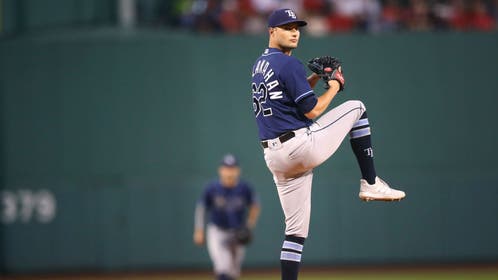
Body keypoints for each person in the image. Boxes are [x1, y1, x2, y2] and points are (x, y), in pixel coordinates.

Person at [250, 8, 406, 280]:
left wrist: (314, 78)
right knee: (357, 108)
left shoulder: (261, 64)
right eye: (287, 27)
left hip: (275, 158)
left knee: (295, 233)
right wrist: (333, 83)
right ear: (272, 31)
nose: (295, 31)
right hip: (299, 146)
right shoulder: (288, 64)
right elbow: (312, 111)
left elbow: (290, 98)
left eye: (297, 27)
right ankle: (370, 182)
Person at [193, 154, 261, 280]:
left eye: (232, 168)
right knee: (223, 268)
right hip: (217, 232)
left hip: (237, 233)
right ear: (221, 170)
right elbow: (201, 208)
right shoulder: (212, 188)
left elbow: (255, 206)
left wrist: (248, 226)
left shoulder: (244, 188)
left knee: (233, 273)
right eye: (226, 168)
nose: (229, 172)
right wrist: (199, 230)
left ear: (238, 170)